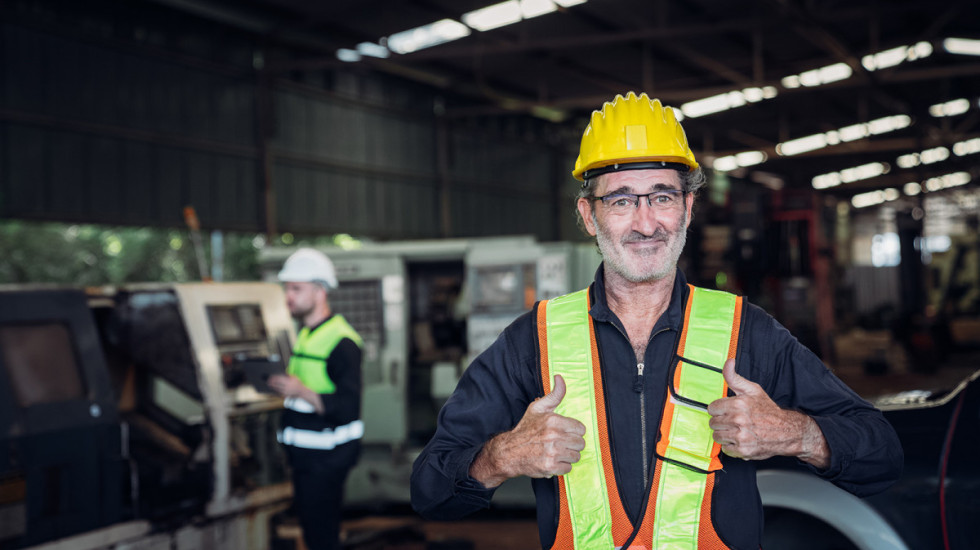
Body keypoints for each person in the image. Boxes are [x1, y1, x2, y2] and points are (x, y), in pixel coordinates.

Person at [410, 92, 902, 549]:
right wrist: (503, 457)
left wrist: (797, 435)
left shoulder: (746, 332)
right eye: (621, 199)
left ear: (688, 208)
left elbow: (882, 454)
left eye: (663, 196)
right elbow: (430, 490)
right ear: (588, 215)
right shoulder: (533, 341)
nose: (646, 223)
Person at [268, 247, 363, 550]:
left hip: (327, 459)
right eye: (287, 289)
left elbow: (347, 408)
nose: (289, 297)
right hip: (305, 457)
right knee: (314, 532)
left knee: (321, 536)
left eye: (296, 289)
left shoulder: (342, 342)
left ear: (320, 291)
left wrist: (300, 391)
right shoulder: (307, 333)